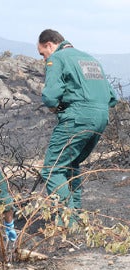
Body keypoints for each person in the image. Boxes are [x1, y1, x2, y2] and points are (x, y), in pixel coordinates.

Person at [37, 29, 118, 214]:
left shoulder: (57, 58)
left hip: (78, 117)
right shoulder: (91, 60)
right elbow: (113, 97)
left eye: (42, 53)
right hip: (101, 118)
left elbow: (50, 97)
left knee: (52, 169)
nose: (43, 58)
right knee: (71, 164)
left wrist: (57, 107)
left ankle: (67, 220)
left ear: (49, 44)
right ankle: (77, 215)